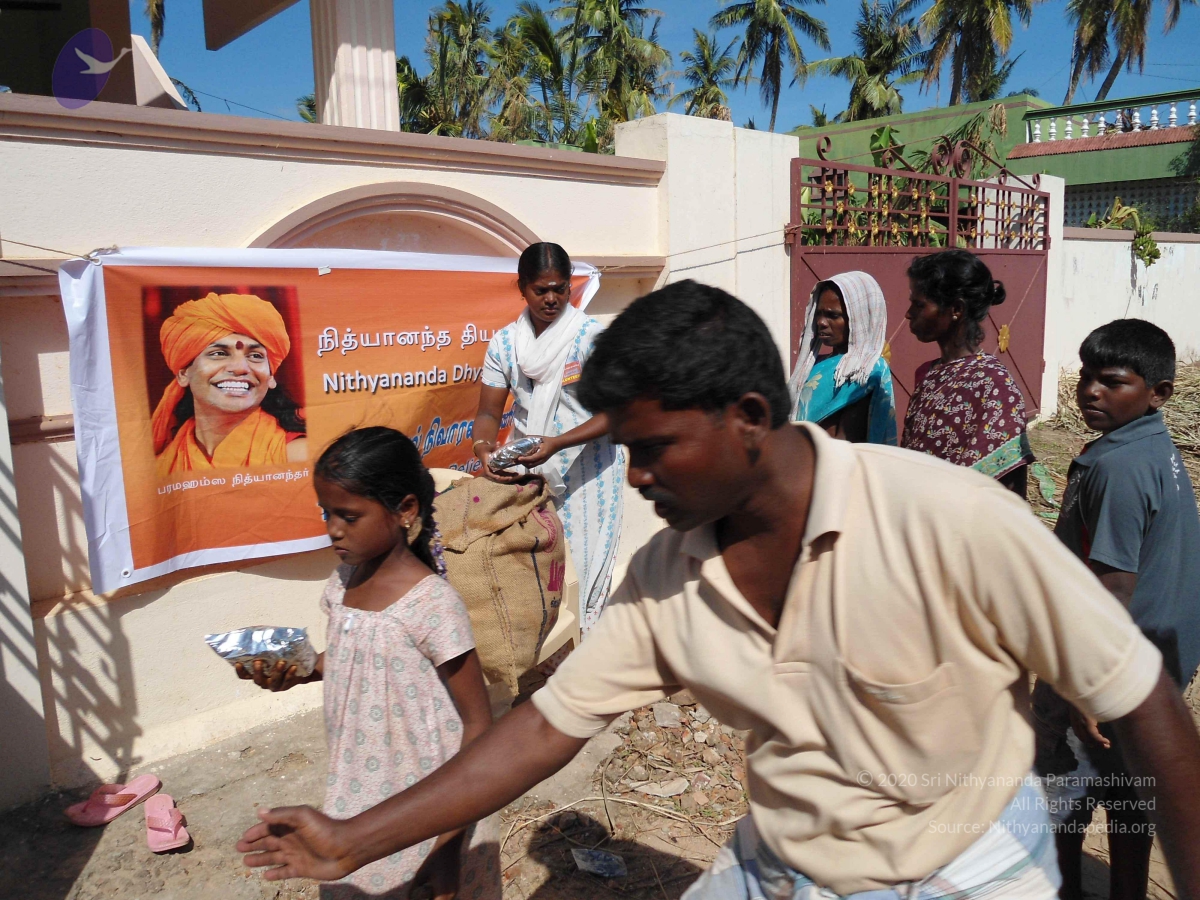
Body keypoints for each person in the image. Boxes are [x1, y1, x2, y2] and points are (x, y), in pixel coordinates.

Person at [237, 282, 1200, 900]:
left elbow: (1143, 701)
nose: (635, 477)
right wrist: (352, 841)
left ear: (747, 417)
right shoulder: (669, 578)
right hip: (788, 861)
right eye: (624, 449)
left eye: (653, 448)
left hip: (970, 864)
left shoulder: (946, 519)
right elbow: (541, 731)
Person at [235, 427, 498, 900]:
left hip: (431, 802)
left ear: (405, 510)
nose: (334, 528)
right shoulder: (343, 583)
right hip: (359, 788)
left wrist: (447, 846)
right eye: (327, 513)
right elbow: (353, 662)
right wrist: (295, 669)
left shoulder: (432, 605)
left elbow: (479, 723)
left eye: (349, 516)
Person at [1033, 320, 1200, 900]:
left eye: (1112, 381)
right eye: (1086, 377)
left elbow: (1113, 591)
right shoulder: (1154, 449)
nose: (1091, 391)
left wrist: (1084, 692)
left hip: (1104, 670)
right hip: (1154, 668)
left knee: (1063, 792)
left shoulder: (1117, 468)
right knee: (1130, 801)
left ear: (1159, 393)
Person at [470, 242, 625, 635]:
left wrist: (557, 443)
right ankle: (548, 659)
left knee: (584, 571)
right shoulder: (504, 344)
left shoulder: (591, 338)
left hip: (589, 475)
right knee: (540, 571)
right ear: (522, 288)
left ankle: (585, 659)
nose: (552, 299)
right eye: (541, 290)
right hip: (532, 473)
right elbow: (488, 413)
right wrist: (483, 448)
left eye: (560, 288)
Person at [901, 250, 1034, 496]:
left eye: (919, 305)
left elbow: (1008, 488)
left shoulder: (995, 386)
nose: (909, 313)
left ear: (956, 309)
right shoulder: (928, 374)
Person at [153, 292, 306, 475]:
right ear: (184, 374)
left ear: (271, 377)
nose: (240, 368)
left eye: (255, 356)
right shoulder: (160, 469)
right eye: (219, 353)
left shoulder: (297, 455)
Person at [788, 271, 897, 444]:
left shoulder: (863, 370)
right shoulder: (815, 366)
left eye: (833, 315)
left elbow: (846, 441)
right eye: (819, 314)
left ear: (860, 319)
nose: (821, 322)